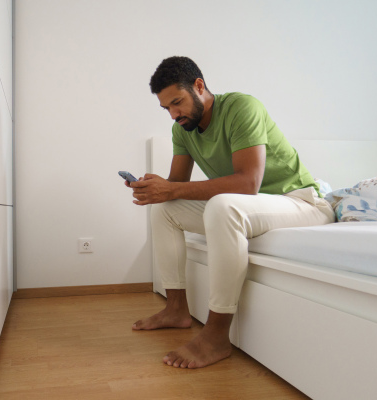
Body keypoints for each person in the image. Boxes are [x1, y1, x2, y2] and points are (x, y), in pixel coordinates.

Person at [127, 56, 335, 369]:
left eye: (177, 102)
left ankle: (216, 335)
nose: (173, 114)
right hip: (254, 208)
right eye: (166, 108)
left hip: (300, 202)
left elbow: (248, 183)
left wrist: (171, 190)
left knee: (223, 205)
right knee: (165, 210)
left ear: (199, 86)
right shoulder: (182, 129)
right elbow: (177, 186)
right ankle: (176, 309)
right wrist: (156, 189)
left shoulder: (242, 108)